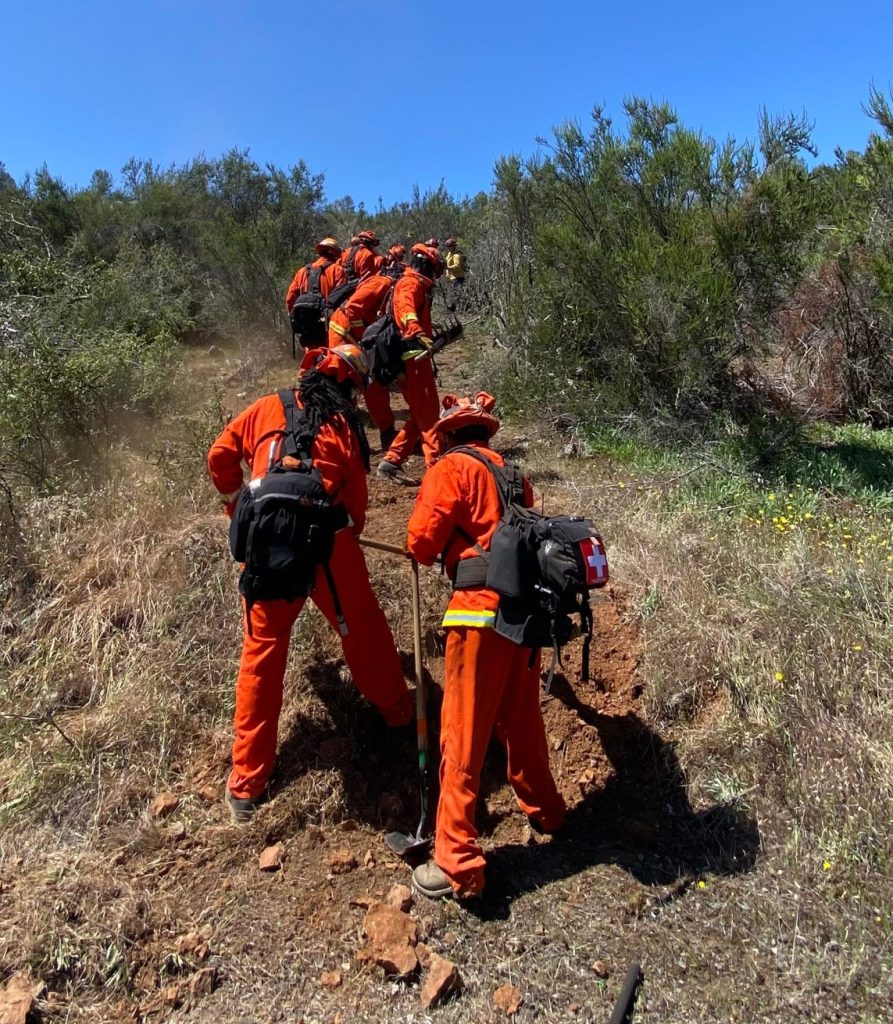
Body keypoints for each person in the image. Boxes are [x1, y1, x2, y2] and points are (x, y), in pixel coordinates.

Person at [207, 344, 413, 823]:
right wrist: (346, 537)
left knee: (262, 652)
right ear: (351, 387)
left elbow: (219, 456)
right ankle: (399, 715)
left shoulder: (265, 407)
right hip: (329, 541)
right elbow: (356, 511)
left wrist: (237, 506)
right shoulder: (343, 425)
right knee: (361, 629)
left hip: (267, 543)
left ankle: (246, 786)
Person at [404, 393, 567, 899]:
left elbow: (420, 540)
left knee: (461, 734)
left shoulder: (451, 469)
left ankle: (457, 862)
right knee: (521, 720)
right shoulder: (516, 477)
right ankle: (548, 813)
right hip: (524, 618)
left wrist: (444, 546)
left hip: (477, 617)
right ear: (486, 434)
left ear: (451, 435)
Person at [377, 243, 444, 482]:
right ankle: (436, 470)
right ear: (426, 265)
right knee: (428, 415)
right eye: (433, 270)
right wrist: (415, 329)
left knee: (421, 412)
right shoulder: (411, 283)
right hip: (412, 359)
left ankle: (392, 461)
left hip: (416, 358)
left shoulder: (413, 283)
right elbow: (406, 309)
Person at [327, 272, 400, 449]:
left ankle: (386, 432)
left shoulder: (389, 287)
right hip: (344, 336)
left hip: (356, 336)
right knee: (348, 387)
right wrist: (367, 337)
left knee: (374, 385)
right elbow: (352, 308)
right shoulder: (381, 283)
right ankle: (342, 438)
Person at [284, 237, 345, 315]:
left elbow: (290, 297)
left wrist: (292, 314)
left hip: (303, 320)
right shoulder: (338, 270)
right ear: (334, 253)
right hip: (326, 320)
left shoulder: (302, 271)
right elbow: (342, 297)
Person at [444, 238, 466, 304]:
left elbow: (457, 266)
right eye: (448, 246)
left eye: (450, 246)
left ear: (454, 246)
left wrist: (447, 268)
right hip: (451, 278)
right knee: (452, 295)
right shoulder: (449, 254)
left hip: (458, 278)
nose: (449, 248)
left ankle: (460, 308)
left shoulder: (457, 255)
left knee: (456, 295)